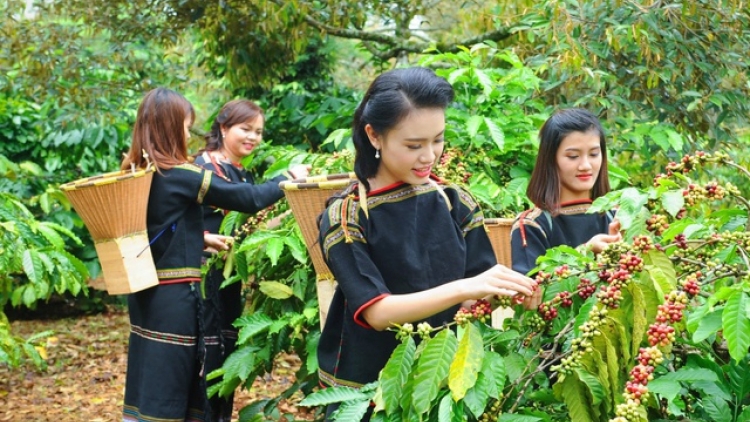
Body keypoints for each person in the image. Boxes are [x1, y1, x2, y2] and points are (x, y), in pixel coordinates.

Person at [316, 67, 536, 421]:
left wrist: (513, 289)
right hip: (368, 392)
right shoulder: (346, 214)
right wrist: (465, 286)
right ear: (374, 136)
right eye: (413, 145)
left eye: (438, 139)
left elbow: (475, 292)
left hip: (447, 380)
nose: (429, 156)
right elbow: (377, 313)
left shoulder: (455, 200)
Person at [120, 88, 307, 422]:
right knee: (175, 380)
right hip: (175, 298)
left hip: (145, 294)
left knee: (150, 377)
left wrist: (200, 239)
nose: (186, 134)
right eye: (184, 125)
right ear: (168, 127)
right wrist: (289, 178)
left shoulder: (137, 172)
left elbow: (159, 226)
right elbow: (247, 200)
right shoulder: (180, 174)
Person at [193, 99, 308, 422]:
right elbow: (250, 202)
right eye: (245, 129)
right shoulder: (202, 169)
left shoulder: (242, 173)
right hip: (202, 277)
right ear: (223, 128)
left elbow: (250, 225)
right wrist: (287, 178)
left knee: (226, 352)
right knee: (206, 355)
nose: (253, 137)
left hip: (230, 278)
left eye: (258, 132)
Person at [511, 108, 622, 278]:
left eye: (593, 154)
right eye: (572, 156)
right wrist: (585, 252)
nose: (585, 165)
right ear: (550, 160)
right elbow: (528, 294)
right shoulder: (532, 225)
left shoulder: (617, 217)